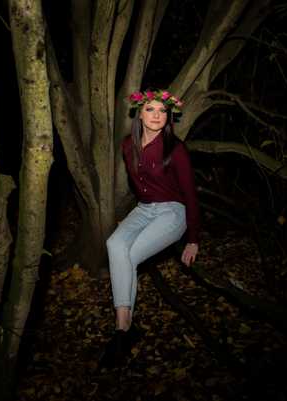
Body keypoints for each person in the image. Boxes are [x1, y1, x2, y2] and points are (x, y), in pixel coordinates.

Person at [99, 88, 200, 368]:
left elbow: (191, 195)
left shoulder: (175, 149)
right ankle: (125, 327)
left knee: (128, 257)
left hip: (172, 211)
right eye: (150, 109)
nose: (156, 115)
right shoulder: (127, 145)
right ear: (139, 114)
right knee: (114, 245)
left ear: (168, 116)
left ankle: (122, 331)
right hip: (143, 210)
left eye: (162, 111)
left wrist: (193, 239)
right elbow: (140, 186)